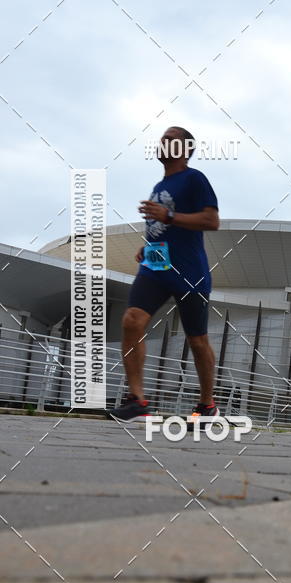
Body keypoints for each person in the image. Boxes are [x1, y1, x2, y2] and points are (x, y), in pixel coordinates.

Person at [109, 126, 220, 422]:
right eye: (162, 139)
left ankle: (207, 405)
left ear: (185, 150)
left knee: (197, 340)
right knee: (132, 320)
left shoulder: (195, 179)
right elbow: (163, 227)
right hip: (157, 264)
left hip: (189, 270)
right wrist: (147, 246)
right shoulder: (160, 185)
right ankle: (137, 400)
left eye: (170, 140)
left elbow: (212, 220)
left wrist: (168, 215)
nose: (162, 142)